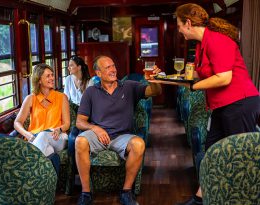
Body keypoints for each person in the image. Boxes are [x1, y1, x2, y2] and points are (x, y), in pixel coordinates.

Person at [171, 3, 260, 205]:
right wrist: (169, 78)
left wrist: (194, 87)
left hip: (240, 103)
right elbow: (198, 73)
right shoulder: (203, 44)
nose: (178, 30)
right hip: (223, 106)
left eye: (178, 25)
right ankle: (201, 198)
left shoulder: (217, 40)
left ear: (188, 23)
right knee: (212, 151)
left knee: (241, 156)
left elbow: (224, 78)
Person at [75, 55, 162, 205]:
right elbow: (80, 122)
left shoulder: (129, 86)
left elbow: (155, 92)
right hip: (98, 136)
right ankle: (86, 193)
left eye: (113, 66)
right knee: (80, 141)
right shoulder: (90, 92)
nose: (113, 69)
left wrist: (154, 80)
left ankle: (126, 192)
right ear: (98, 73)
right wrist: (95, 128)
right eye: (107, 67)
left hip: (122, 136)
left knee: (139, 144)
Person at [14, 63, 70, 159]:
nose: (52, 78)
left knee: (43, 135)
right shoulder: (30, 98)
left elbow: (67, 124)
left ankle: (28, 165)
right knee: (49, 152)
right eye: (48, 76)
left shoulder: (62, 97)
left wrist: (59, 129)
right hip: (35, 138)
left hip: (58, 137)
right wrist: (27, 134)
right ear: (39, 80)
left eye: (52, 75)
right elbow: (17, 123)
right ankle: (50, 168)